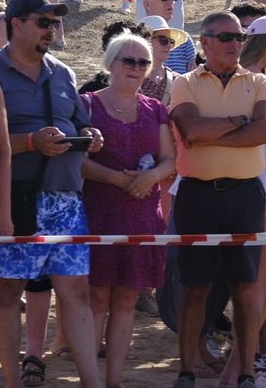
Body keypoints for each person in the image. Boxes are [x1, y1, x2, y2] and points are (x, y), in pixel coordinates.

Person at [0, 0, 103, 388]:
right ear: (16, 23)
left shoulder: (63, 72)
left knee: (76, 290)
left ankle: (91, 382)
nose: (53, 29)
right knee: (7, 291)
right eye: (43, 22)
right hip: (13, 197)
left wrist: (89, 135)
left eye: (55, 23)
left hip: (65, 197)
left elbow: (79, 122)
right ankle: (12, 380)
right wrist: (31, 141)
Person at [166, 11, 266, 388]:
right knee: (194, 287)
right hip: (197, 195)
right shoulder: (185, 83)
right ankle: (186, 369)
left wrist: (216, 132)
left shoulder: (260, 82)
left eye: (240, 37)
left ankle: (245, 371)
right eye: (227, 37)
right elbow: (191, 130)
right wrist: (241, 123)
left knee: (245, 288)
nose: (235, 44)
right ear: (205, 42)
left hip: (245, 195)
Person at [80, 34, 174, 388]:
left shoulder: (155, 109)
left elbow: (170, 161)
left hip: (142, 215)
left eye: (142, 62)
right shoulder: (86, 104)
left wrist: (150, 176)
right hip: (99, 213)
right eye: (128, 60)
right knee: (96, 297)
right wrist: (121, 181)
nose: (136, 68)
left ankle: (114, 380)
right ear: (111, 62)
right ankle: (90, 379)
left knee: (126, 300)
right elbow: (77, 162)